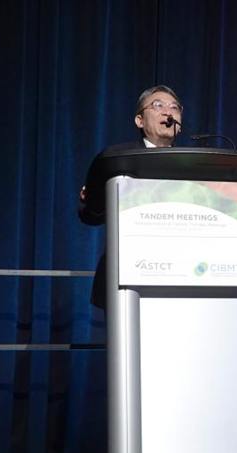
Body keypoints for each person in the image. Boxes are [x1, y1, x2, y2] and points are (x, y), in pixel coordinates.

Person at [78, 85, 184, 308]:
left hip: (182, 275)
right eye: (158, 105)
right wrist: (94, 198)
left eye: (175, 107)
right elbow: (91, 214)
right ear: (139, 121)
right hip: (129, 275)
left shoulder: (195, 165)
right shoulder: (117, 159)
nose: (169, 112)